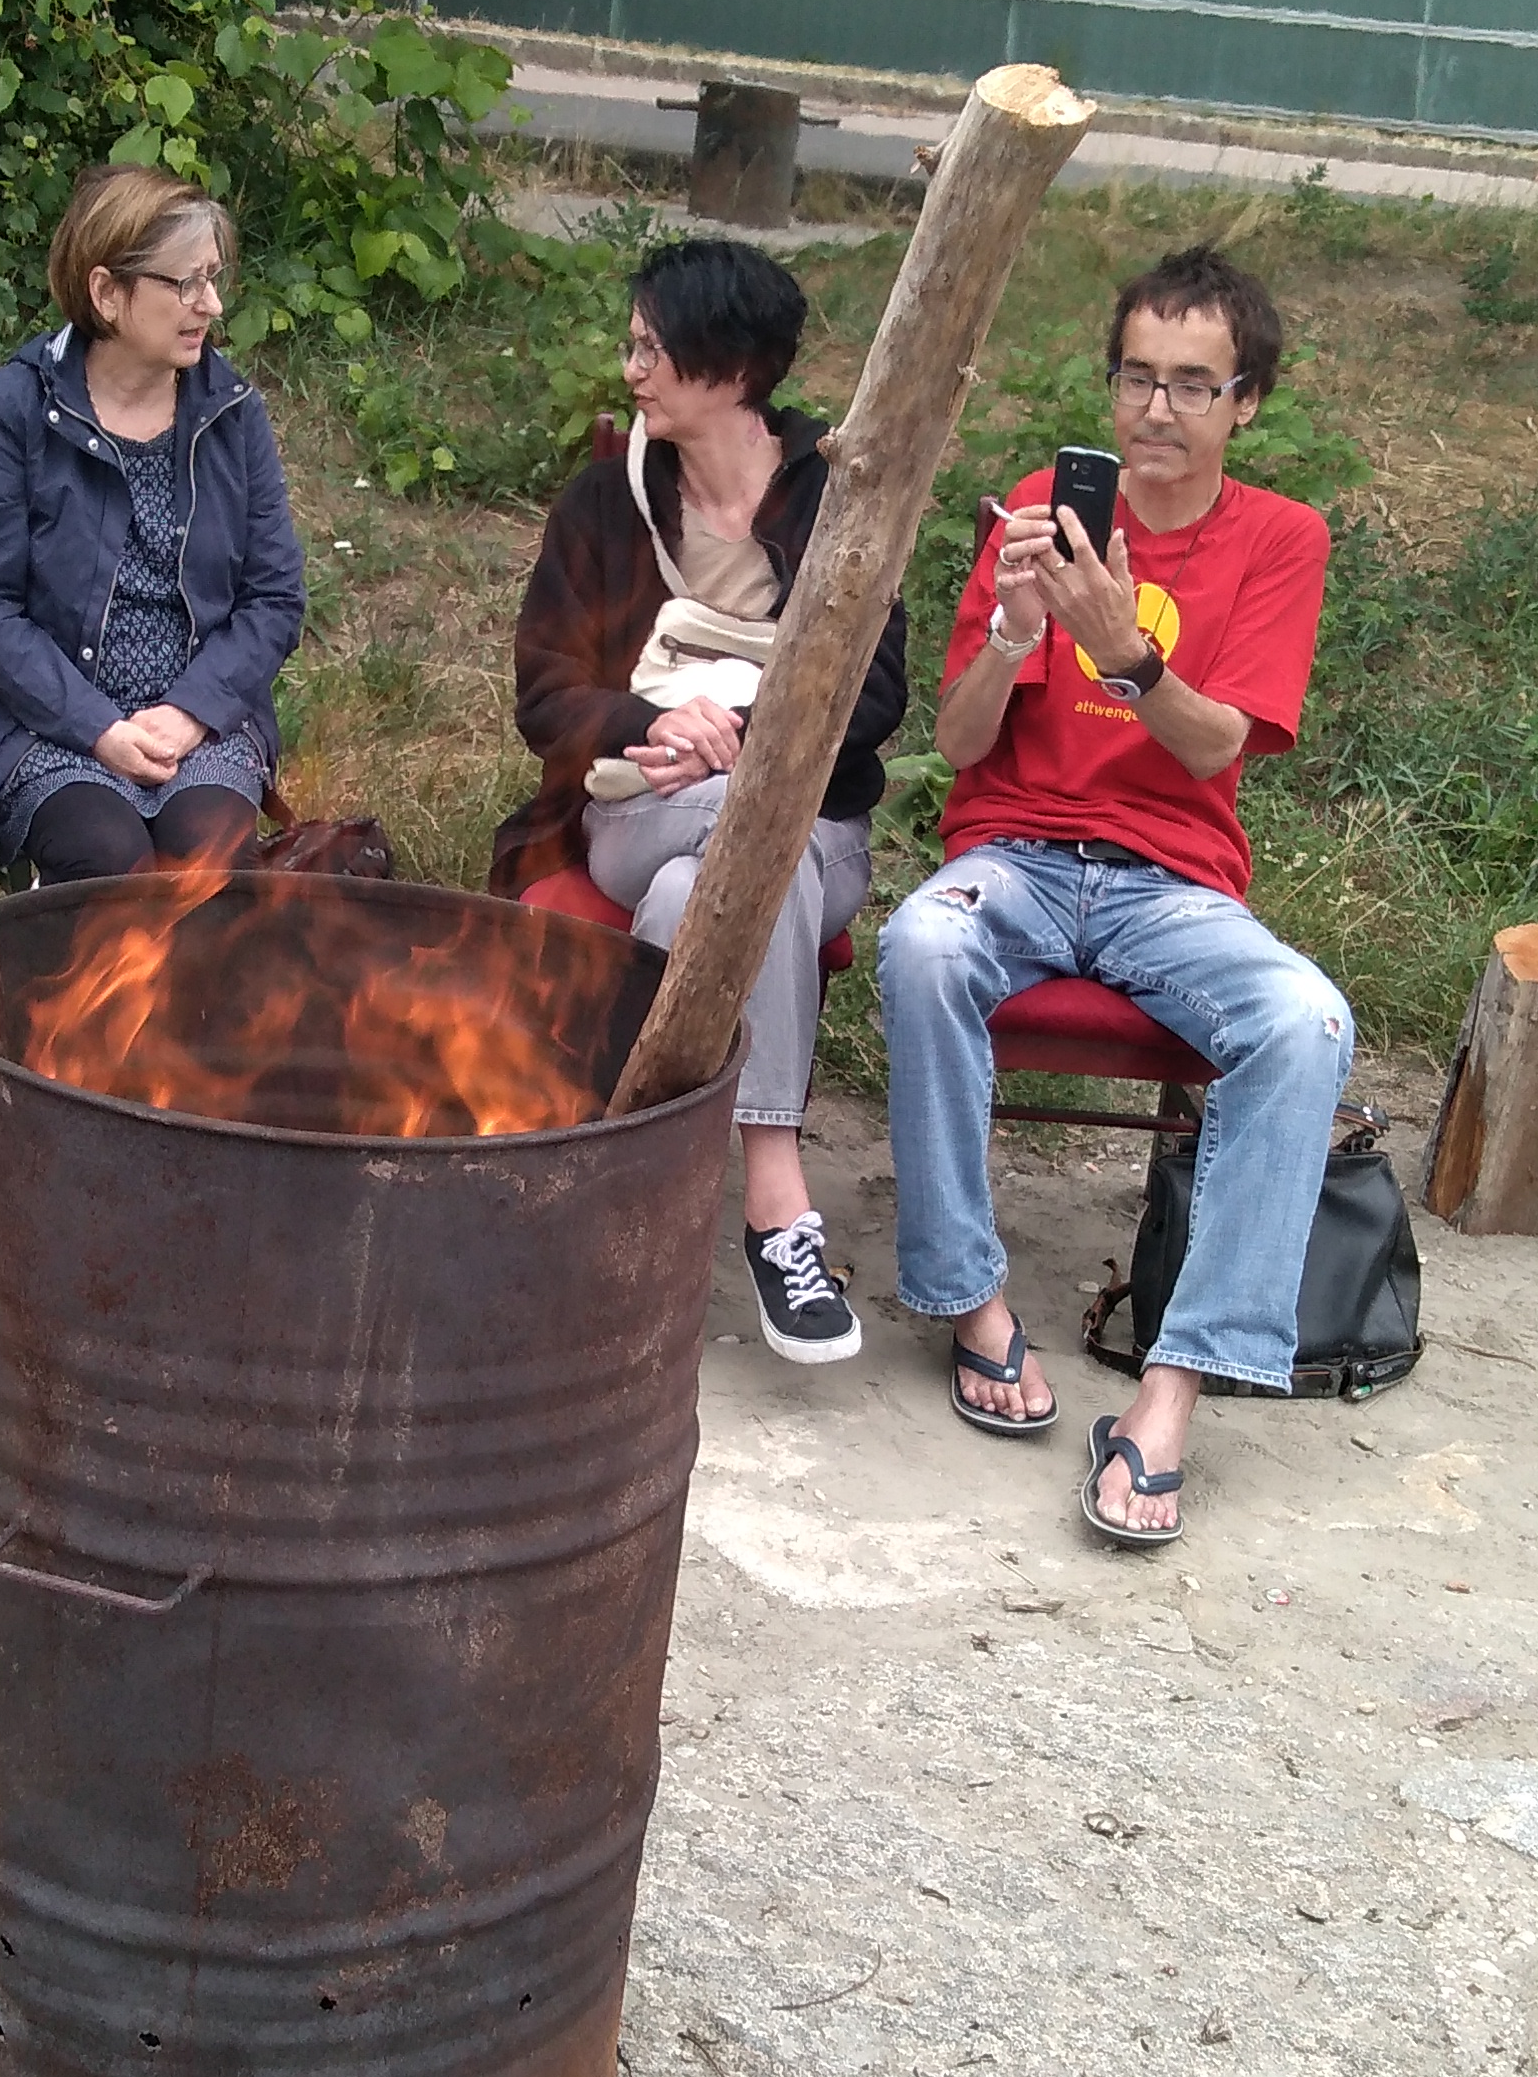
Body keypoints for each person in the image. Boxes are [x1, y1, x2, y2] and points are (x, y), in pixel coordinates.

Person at [878, 243, 1352, 1544]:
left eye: (1194, 385)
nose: (1157, 410)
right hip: (1015, 861)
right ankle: (970, 1299)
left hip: (1172, 884)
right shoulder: (1045, 506)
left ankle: (1175, 1386)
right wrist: (1023, 632)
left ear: (1244, 402)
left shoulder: (1278, 539)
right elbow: (965, 745)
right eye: (1138, 378)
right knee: (921, 946)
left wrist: (1123, 652)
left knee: (1306, 1024)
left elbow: (1212, 747)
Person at [490, 237, 904, 1365]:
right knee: (719, 854)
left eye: (652, 349)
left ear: (728, 370)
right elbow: (544, 693)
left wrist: (753, 746)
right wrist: (650, 725)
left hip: (807, 826)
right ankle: (777, 1202)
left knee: (699, 898)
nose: (632, 370)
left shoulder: (837, 499)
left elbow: (876, 693)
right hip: (638, 806)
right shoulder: (606, 501)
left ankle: (634, 1200)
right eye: (632, 346)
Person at [0, 167, 304, 886]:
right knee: (109, 864)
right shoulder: (10, 414)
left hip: (195, 722)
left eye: (214, 277)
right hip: (48, 723)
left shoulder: (231, 415)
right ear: (107, 292)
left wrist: (193, 710)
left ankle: (204, 1001)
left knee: (211, 859)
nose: (212, 303)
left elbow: (275, 598)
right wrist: (97, 728)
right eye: (187, 284)